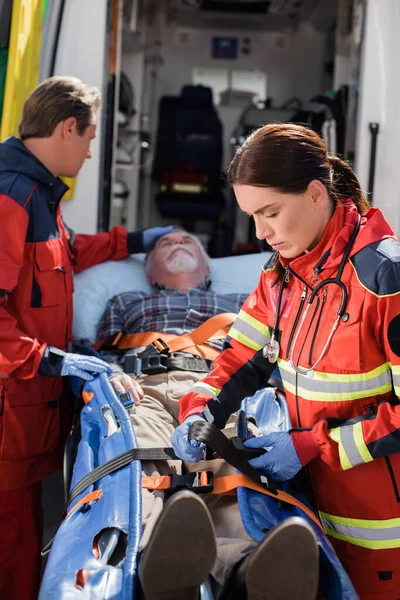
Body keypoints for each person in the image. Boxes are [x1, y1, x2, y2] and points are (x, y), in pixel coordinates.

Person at [171, 123, 400, 600]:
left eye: (270, 212)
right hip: (309, 510)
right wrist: (198, 410)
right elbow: (237, 359)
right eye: (252, 216)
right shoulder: (280, 277)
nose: (260, 232)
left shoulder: (385, 278)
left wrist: (313, 445)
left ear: (316, 194)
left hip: (381, 533)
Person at [0, 75, 172, 600]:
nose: (93, 152)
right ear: (67, 128)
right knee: (13, 550)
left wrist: (137, 241)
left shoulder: (38, 195)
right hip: (10, 414)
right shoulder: (12, 197)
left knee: (27, 541)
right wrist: (56, 362)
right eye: (91, 138)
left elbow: (67, 253)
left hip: (28, 417)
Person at [96, 228, 320, 600]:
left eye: (187, 242)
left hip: (217, 389)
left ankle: (248, 564)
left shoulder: (239, 301)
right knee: (141, 455)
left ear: (206, 270)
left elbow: (271, 351)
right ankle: (154, 555)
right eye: (166, 243)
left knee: (231, 460)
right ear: (150, 274)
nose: (177, 243)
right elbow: (103, 353)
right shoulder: (126, 301)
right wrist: (113, 376)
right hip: (145, 384)